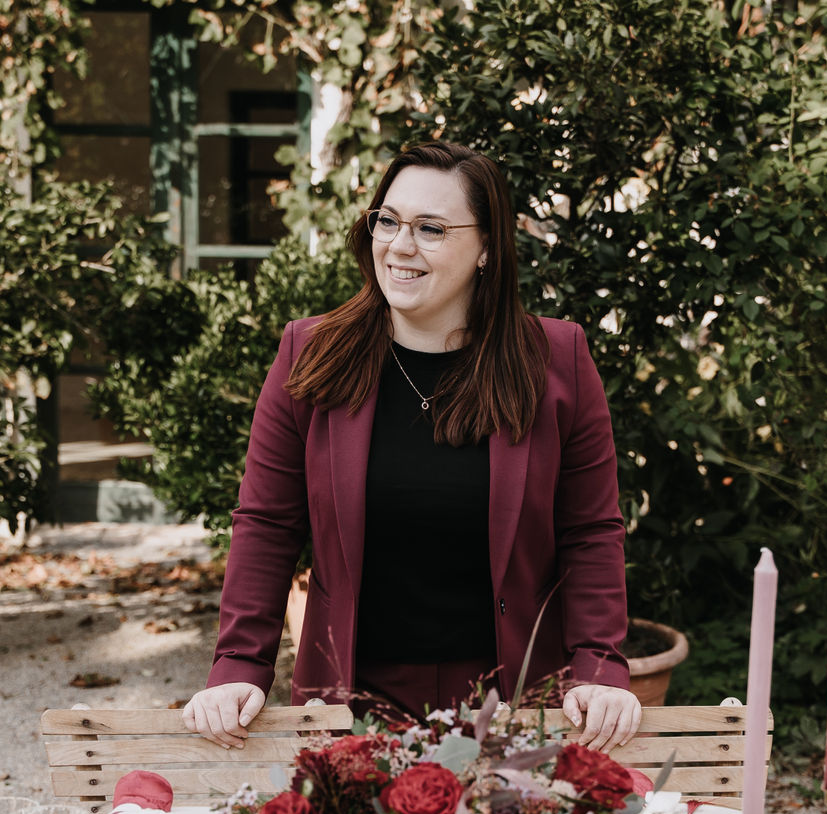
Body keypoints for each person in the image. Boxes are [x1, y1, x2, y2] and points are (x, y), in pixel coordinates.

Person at [183, 139, 641, 752]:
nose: (399, 245)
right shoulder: (308, 352)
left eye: (431, 228)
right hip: (353, 701)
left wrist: (600, 667)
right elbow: (266, 523)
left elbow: (590, 531)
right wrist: (239, 664)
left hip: (513, 703)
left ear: (486, 248)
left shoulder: (558, 361)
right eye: (388, 220)